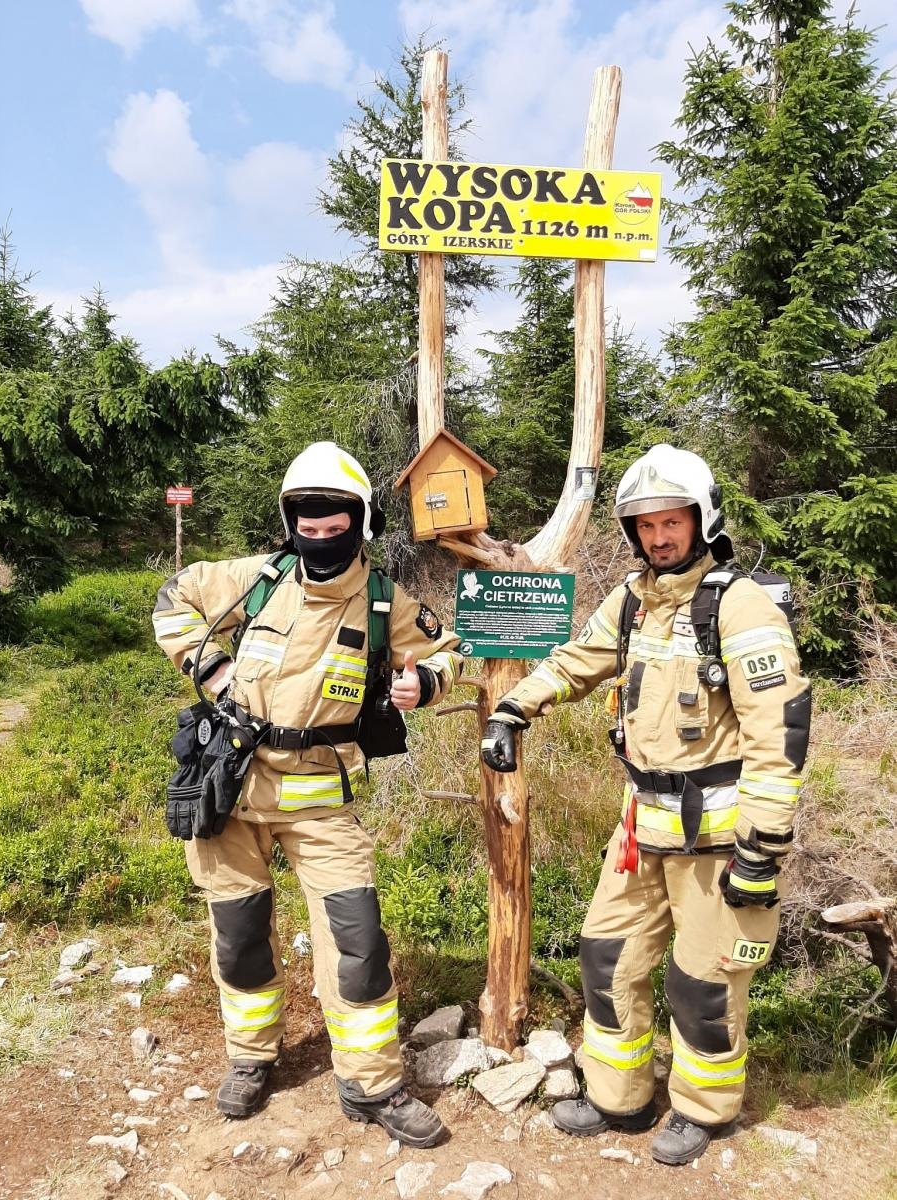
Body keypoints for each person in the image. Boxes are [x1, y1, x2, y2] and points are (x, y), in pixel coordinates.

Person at [480, 444, 811, 1165]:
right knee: (607, 959)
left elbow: (778, 735)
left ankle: (703, 1109)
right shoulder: (633, 602)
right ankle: (618, 1098)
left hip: (718, 844)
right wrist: (512, 709)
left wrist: (761, 849)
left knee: (703, 984)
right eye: (646, 525)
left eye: (671, 522)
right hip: (640, 832)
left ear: (702, 519)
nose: (659, 537)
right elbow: (576, 662)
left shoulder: (739, 605)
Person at [153, 441, 463, 1147]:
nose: (319, 539)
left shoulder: (384, 600)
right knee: (239, 938)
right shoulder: (257, 578)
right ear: (290, 522)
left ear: (361, 523)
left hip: (323, 801)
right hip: (233, 792)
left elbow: (448, 650)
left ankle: (372, 1083)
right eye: (307, 526)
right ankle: (251, 1059)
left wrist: (424, 682)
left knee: (358, 942)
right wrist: (213, 668)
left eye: (334, 527)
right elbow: (173, 598)